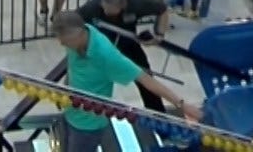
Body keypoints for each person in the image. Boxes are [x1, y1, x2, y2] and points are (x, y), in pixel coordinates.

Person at [50, 10, 200, 151]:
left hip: (88, 125)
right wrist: (66, 89)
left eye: (65, 41)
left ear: (78, 34)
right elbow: (73, 67)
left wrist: (182, 105)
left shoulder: (106, 56)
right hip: (70, 113)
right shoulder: (76, 41)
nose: (62, 45)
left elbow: (146, 80)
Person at [77, 0, 174, 110]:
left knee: (146, 82)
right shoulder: (92, 7)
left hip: (128, 45)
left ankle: (157, 115)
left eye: (111, 11)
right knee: (92, 81)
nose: (106, 12)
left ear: (123, 4)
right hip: (100, 48)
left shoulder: (136, 4)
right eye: (104, 8)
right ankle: (86, 109)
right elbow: (72, 23)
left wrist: (159, 35)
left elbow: (162, 9)